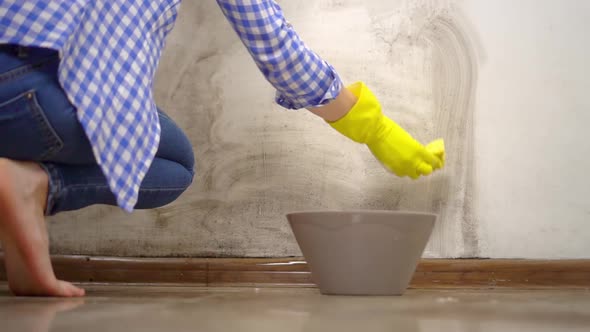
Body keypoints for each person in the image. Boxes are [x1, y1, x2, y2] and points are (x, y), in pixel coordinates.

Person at [0, 0, 444, 297]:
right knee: (173, 165)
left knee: (165, 144)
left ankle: (22, 198)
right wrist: (376, 129)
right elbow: (276, 46)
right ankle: (32, 185)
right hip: (24, 91)